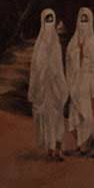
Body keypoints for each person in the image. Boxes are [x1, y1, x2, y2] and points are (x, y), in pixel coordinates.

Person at [27, 8, 67, 160]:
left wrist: (60, 84)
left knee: (57, 116)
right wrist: (36, 86)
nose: (49, 24)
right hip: (44, 89)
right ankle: (50, 148)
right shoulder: (39, 45)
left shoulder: (56, 44)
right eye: (47, 20)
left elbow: (59, 66)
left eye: (52, 20)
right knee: (47, 117)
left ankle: (58, 147)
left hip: (55, 87)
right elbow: (35, 68)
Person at [66, 6, 94, 154]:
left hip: (88, 82)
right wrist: (78, 53)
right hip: (75, 81)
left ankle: (85, 145)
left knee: (88, 113)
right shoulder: (72, 42)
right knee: (75, 113)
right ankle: (79, 144)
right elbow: (68, 61)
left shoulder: (93, 42)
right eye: (81, 20)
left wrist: (84, 57)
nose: (83, 24)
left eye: (86, 20)